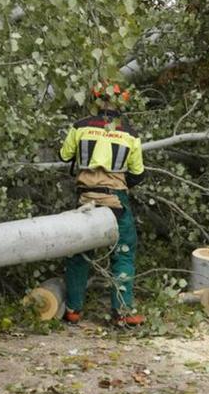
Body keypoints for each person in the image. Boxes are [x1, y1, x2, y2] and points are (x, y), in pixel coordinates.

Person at [58, 81, 146, 327]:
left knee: (78, 252)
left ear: (96, 101)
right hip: (115, 200)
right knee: (123, 253)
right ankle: (122, 312)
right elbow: (138, 174)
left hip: (85, 199)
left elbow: (64, 156)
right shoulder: (130, 133)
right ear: (122, 103)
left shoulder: (81, 126)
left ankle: (73, 310)